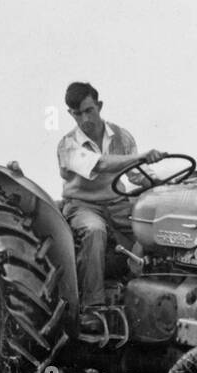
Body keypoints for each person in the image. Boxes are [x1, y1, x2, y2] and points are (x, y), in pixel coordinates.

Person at [57, 81, 171, 309]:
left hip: (117, 203)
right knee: (94, 231)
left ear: (99, 106)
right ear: (71, 114)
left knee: (156, 226)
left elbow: (139, 176)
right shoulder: (68, 145)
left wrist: (163, 184)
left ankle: (143, 286)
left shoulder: (121, 137)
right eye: (77, 114)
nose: (85, 119)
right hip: (83, 206)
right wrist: (140, 157)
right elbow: (100, 165)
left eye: (89, 111)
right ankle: (93, 306)